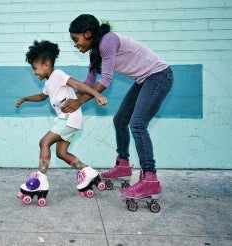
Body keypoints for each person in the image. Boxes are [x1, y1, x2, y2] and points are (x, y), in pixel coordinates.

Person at [64, 14, 174, 201]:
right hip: (145, 80)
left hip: (159, 76)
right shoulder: (94, 51)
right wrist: (68, 97)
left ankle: (150, 178)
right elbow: (89, 82)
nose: (75, 44)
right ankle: (123, 165)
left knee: (137, 125)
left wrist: (79, 102)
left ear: (88, 33)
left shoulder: (108, 41)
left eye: (76, 39)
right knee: (121, 120)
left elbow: (105, 80)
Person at [16, 40, 108, 205]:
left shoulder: (57, 74)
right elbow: (42, 96)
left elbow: (78, 84)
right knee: (61, 153)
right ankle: (89, 172)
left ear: (47, 64)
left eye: (35, 68)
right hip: (67, 119)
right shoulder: (48, 82)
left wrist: (96, 94)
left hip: (69, 118)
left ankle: (41, 179)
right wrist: (25, 99)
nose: (35, 72)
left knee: (44, 142)